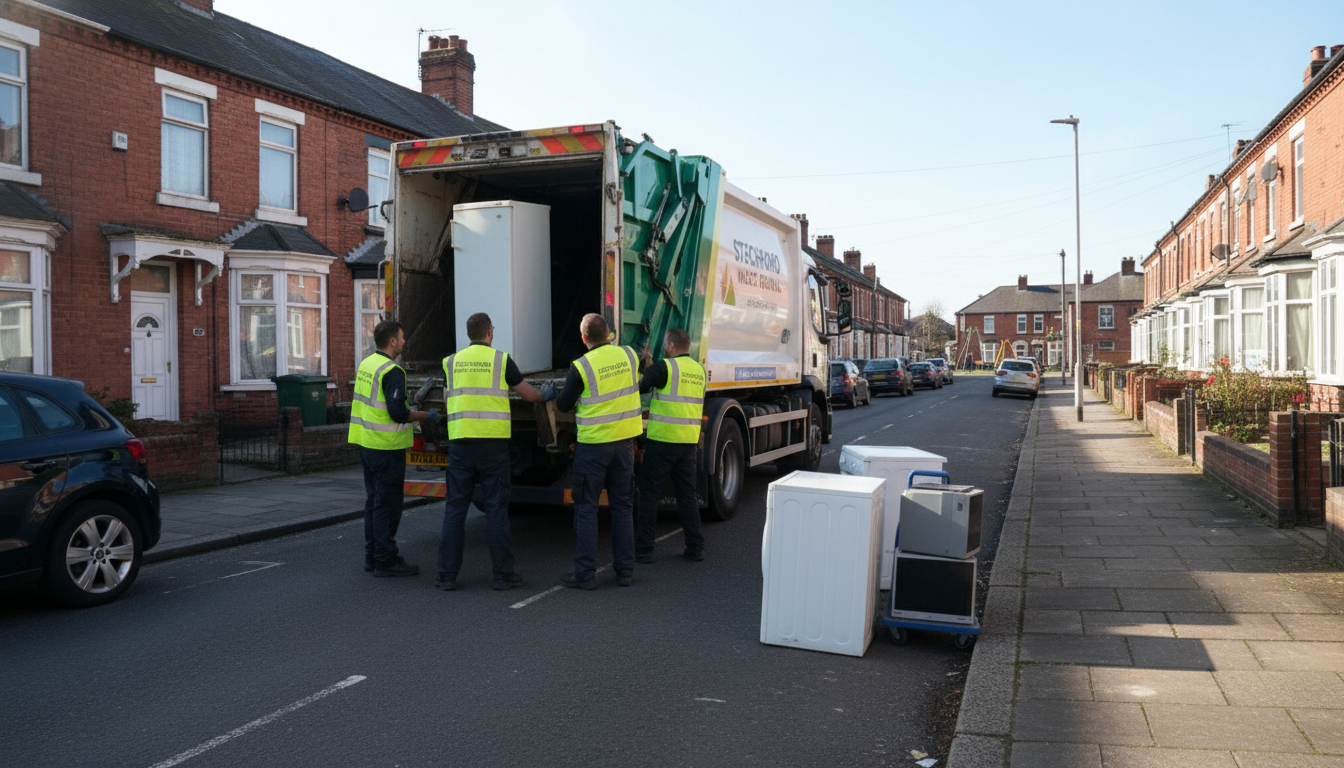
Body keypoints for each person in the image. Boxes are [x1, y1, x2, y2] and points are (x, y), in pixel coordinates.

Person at [436, 312, 555, 592]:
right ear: (490, 332)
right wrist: (544, 395)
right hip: (492, 447)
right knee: (496, 510)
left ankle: (446, 576)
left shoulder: (450, 362)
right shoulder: (501, 360)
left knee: (455, 510)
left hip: (460, 445)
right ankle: (503, 575)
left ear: (469, 334)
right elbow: (527, 393)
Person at [553, 313, 642, 589]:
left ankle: (585, 575)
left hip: (593, 448)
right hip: (625, 446)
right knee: (623, 507)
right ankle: (625, 572)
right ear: (609, 334)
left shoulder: (581, 367)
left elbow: (564, 405)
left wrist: (551, 393)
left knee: (587, 509)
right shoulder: (629, 355)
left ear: (583, 338)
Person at [348, 320, 434, 577]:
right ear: (393, 341)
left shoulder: (367, 364)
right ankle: (386, 560)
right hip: (386, 448)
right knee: (387, 504)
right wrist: (425, 416)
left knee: (374, 501)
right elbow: (398, 413)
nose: (405, 341)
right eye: (403, 337)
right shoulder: (392, 372)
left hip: (366, 443)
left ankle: (372, 557)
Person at [635, 328, 706, 563]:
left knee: (649, 494)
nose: (665, 347)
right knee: (687, 496)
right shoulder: (699, 371)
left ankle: (644, 550)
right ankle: (695, 547)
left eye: (666, 344)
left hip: (663, 442)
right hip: (688, 444)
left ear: (672, 346)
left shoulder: (665, 367)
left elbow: (640, 387)